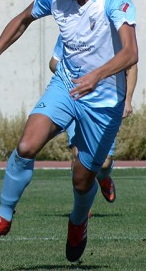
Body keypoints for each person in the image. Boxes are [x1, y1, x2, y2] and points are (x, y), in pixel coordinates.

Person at [0, 0, 138, 263]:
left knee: (82, 178)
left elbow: (131, 53)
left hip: (103, 102)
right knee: (27, 145)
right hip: (66, 86)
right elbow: (21, 20)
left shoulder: (115, 0)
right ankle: (2, 218)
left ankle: (77, 222)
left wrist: (97, 76)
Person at [50, 35, 138, 207]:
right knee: (77, 155)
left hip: (105, 104)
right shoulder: (70, 31)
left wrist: (128, 100)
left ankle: (103, 177)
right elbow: (53, 62)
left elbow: (132, 67)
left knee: (104, 163)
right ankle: (82, 205)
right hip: (77, 100)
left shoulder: (114, 34)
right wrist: (69, 73)